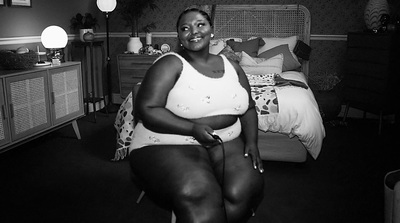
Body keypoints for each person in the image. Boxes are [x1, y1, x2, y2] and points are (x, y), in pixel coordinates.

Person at [129, 7, 264, 223]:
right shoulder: (169, 63)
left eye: (200, 24)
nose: (194, 31)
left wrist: (252, 142)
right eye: (185, 28)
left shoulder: (233, 67)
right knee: (200, 194)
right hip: (169, 141)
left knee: (246, 189)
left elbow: (248, 107)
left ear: (212, 30)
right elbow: (146, 109)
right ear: (179, 37)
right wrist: (192, 128)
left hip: (225, 141)